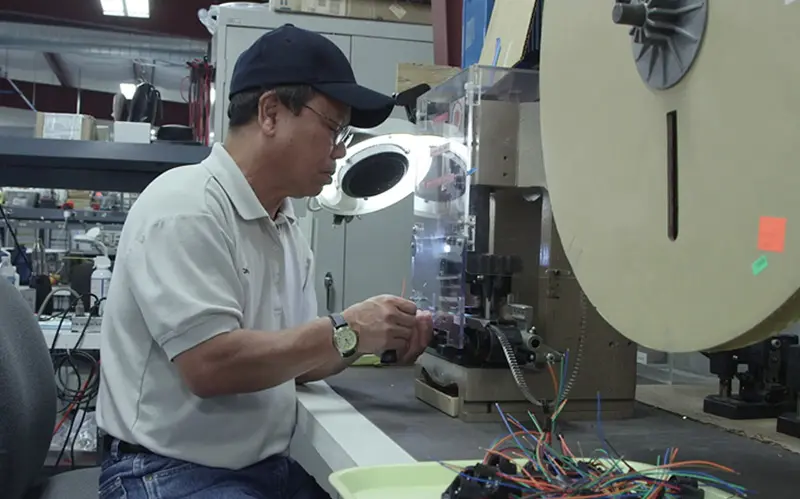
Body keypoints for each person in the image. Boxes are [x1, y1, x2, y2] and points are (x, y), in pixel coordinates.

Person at [96, 24, 434, 499]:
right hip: (166, 470)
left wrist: (374, 336)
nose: (340, 151)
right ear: (271, 112)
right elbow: (211, 367)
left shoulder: (285, 224)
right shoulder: (185, 206)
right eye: (334, 128)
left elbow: (292, 361)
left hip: (262, 468)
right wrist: (348, 328)